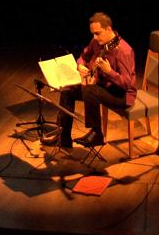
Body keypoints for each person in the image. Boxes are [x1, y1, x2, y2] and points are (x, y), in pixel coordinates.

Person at [43, 12, 136, 149]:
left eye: (97, 33)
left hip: (122, 95)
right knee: (68, 90)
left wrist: (109, 72)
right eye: (93, 34)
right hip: (102, 88)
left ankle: (97, 133)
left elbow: (127, 84)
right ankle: (63, 138)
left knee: (90, 89)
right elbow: (83, 57)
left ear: (109, 29)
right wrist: (80, 65)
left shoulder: (124, 51)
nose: (94, 37)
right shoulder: (96, 42)